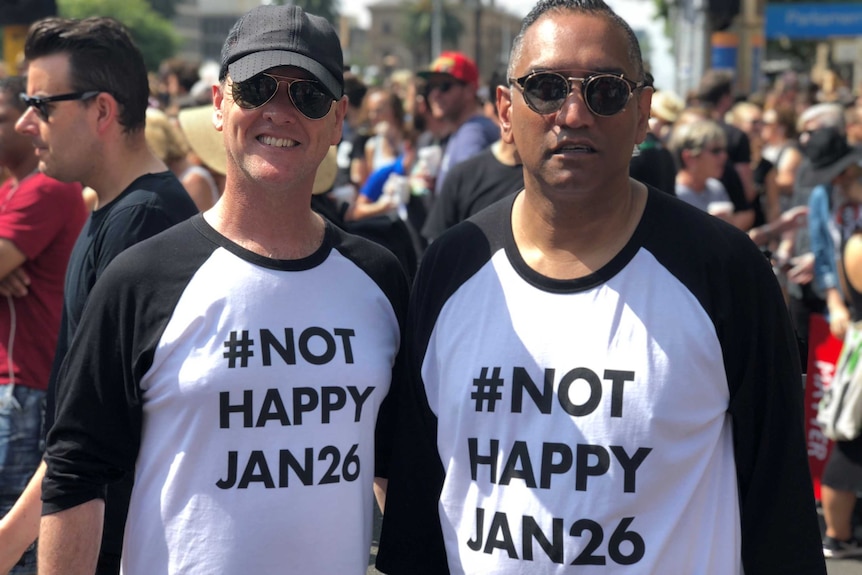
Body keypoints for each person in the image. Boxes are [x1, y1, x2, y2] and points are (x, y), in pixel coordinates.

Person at [376, 1, 825, 573]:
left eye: (605, 91)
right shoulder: (451, 265)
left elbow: (780, 514)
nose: (574, 113)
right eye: (544, 87)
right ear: (505, 111)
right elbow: (419, 501)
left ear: (642, 113)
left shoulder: (725, 270)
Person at [37, 5, 407, 575]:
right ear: (218, 103)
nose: (281, 112)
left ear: (337, 123)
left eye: (309, 97)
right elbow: (75, 474)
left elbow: (395, 464)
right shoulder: (141, 279)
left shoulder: (380, 281)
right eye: (259, 88)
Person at [2, 17, 199, 575]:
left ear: (102, 111)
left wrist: (13, 539)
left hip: (115, 541)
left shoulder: (143, 221)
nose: (23, 123)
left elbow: (92, 425)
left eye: (41, 105)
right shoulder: (118, 210)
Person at [0, 75, 87, 575]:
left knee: (13, 548)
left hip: (24, 387)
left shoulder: (45, 187)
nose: (14, 125)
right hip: (16, 387)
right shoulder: (14, 187)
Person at [418, 51, 500, 196]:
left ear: (469, 90)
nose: (434, 94)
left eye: (444, 86)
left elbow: (468, 198)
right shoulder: (462, 131)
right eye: (431, 87)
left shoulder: (473, 133)